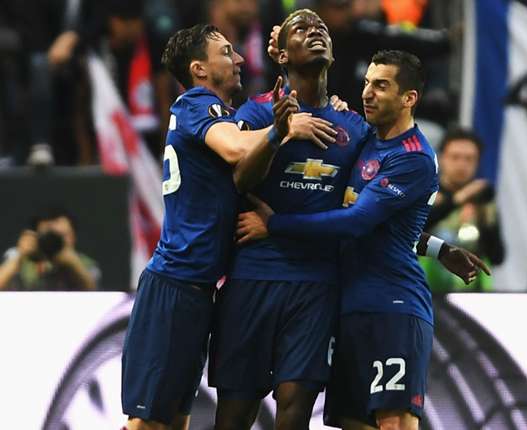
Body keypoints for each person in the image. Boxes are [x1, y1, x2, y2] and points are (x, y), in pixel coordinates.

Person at [208, 10, 486, 430]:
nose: (315, 30)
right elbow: (238, 180)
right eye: (301, 27)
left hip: (320, 289)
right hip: (256, 278)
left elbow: (366, 217)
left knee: (297, 409)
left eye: (320, 27)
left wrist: (435, 245)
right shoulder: (261, 112)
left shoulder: (357, 130)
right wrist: (278, 133)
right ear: (281, 52)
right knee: (236, 414)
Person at [120, 23, 331, 430]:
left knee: (175, 421)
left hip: (198, 294)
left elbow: (251, 134)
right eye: (226, 52)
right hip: (174, 287)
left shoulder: (225, 114)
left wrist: (291, 76)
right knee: (147, 424)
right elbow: (237, 149)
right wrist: (285, 129)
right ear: (199, 69)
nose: (237, 59)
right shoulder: (197, 104)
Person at [424, 127, 504, 292]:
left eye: (469, 159)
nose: (462, 165)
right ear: (441, 158)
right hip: (426, 292)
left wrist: (484, 219)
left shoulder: (483, 201)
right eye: (455, 157)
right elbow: (412, 232)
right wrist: (458, 199)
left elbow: (497, 256)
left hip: (471, 295)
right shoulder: (425, 194)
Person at [0, 207, 99, 291]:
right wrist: (19, 256)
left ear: (73, 237)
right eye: (48, 235)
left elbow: (93, 291)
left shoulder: (84, 263)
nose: (53, 241)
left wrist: (72, 263)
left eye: (62, 235)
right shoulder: (17, 257)